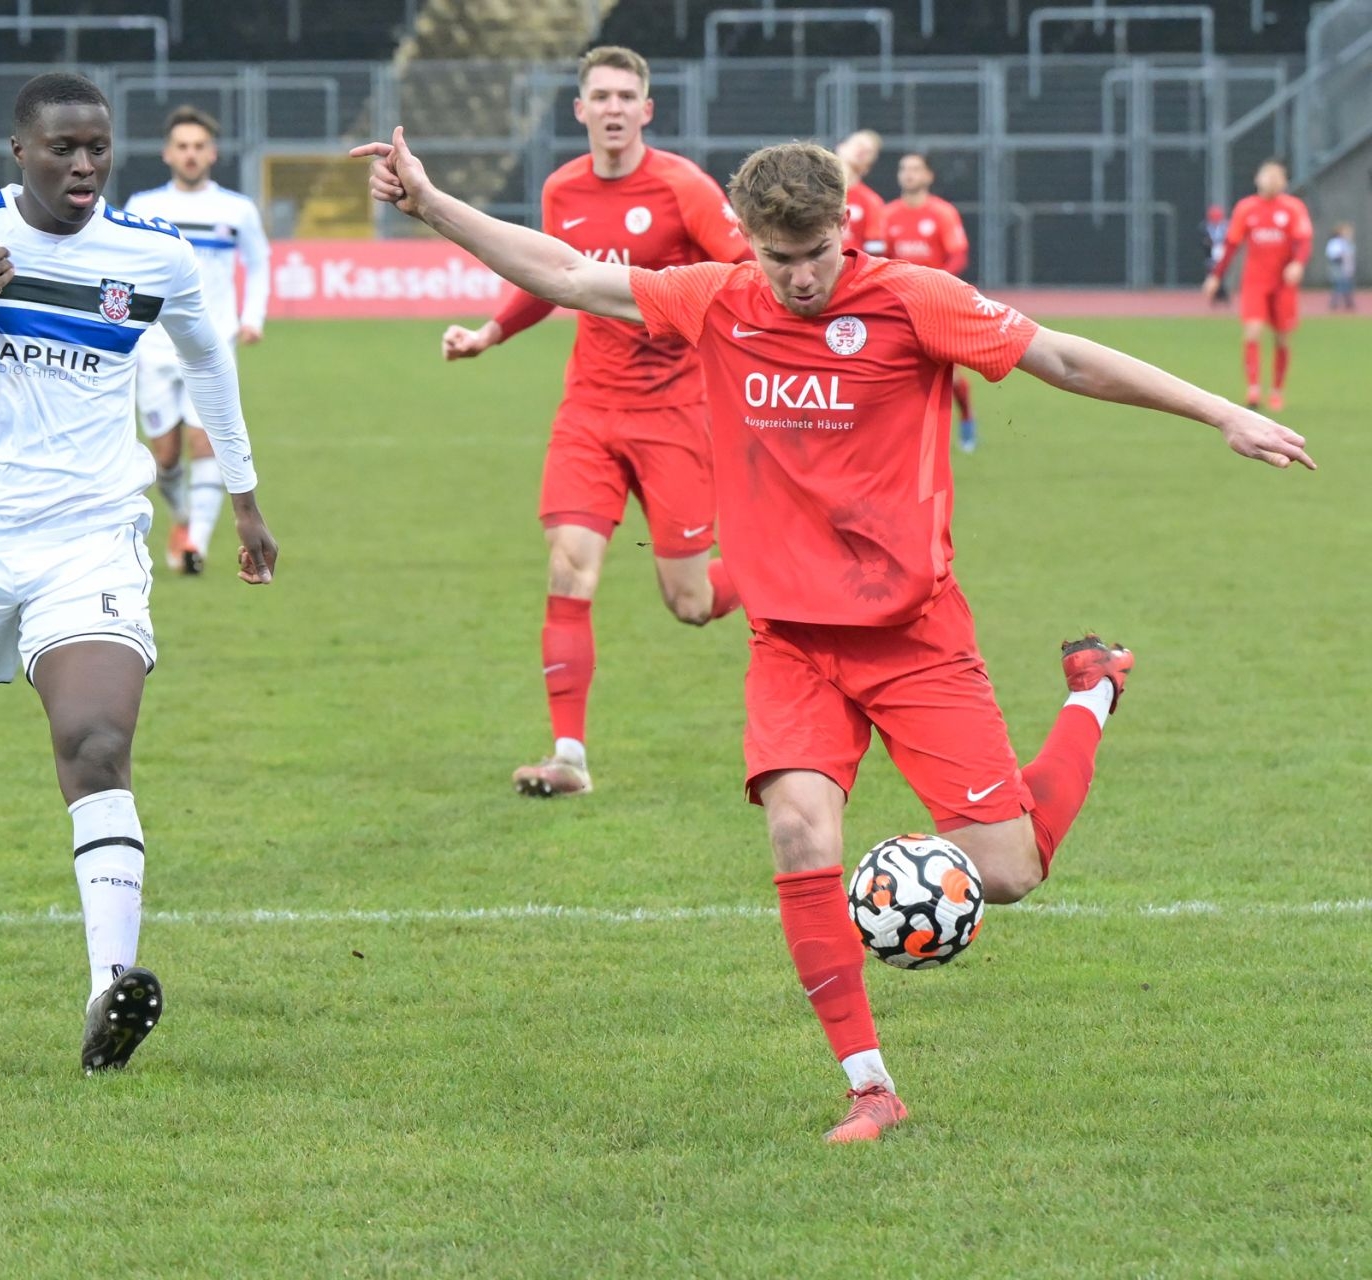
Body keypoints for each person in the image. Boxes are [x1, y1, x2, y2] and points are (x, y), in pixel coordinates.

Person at [354, 127, 1313, 1142]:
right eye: (780, 259)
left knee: (1010, 872)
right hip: (791, 643)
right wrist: (429, 201)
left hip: (914, 633)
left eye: (815, 255)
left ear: (844, 228)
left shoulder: (912, 298)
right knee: (799, 828)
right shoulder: (717, 297)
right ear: (749, 245)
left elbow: (1063, 356)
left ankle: (1092, 693)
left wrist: (1222, 413)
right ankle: (869, 1084)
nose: (801, 277)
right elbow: (562, 270)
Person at [0, 72, 279, 1074]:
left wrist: (242, 498)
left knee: (97, 739)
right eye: (64, 149)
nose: (85, 166)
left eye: (98, 149)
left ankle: (106, 994)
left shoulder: (151, 255)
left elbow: (211, 362)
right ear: (18, 152)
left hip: (89, 534)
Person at [437, 46, 748, 799]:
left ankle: (778, 556)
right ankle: (569, 757)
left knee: (692, 603)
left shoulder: (685, 189)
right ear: (579, 111)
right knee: (568, 567)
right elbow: (552, 278)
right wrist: (490, 332)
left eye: (625, 96)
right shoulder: (561, 190)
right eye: (599, 96)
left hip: (676, 414)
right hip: (589, 412)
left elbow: (744, 276)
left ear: (647, 110)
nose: (612, 108)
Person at [123, 105, 271, 575]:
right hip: (152, 346)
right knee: (165, 455)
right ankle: (183, 518)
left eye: (199, 146)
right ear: (168, 154)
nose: (190, 154)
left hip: (211, 344)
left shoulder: (236, 209)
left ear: (213, 153)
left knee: (205, 443)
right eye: (182, 146)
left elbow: (260, 263)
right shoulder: (144, 208)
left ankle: (197, 545)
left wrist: (252, 317)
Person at [883, 152, 977, 452]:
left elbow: (958, 253)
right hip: (898, 304)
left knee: (949, 373)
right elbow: (877, 256)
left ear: (928, 176)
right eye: (904, 169)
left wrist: (935, 285)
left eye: (915, 169)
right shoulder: (887, 215)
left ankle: (966, 418)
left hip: (934, 303)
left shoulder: (942, 213)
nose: (908, 174)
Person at [1203, 158, 1311, 412]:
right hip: (1255, 281)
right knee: (1252, 331)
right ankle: (1253, 389)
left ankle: (1276, 391)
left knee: (1282, 337)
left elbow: (1303, 241)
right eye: (1267, 175)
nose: (1272, 180)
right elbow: (1231, 245)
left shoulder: (1293, 208)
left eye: (1278, 176)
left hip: (1283, 284)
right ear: (1257, 179)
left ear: (1284, 181)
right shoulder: (1246, 208)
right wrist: (1217, 276)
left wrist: (1298, 263)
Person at [835, 129, 885, 256]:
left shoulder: (871, 201)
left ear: (868, 166)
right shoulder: (817, 191)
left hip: (853, 271)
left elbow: (875, 248)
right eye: (859, 144)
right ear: (841, 147)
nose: (862, 151)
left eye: (869, 151)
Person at [1202, 204, 1230, 305]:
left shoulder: (1226, 226)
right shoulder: (1206, 227)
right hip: (1212, 253)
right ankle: (1216, 295)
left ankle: (1223, 295)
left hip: (1224, 252)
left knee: (1221, 274)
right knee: (1212, 272)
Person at [1324, 222, 1355, 311]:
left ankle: (1349, 303)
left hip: (1347, 267)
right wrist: (1341, 257)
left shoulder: (1348, 243)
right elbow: (1332, 254)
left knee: (1347, 285)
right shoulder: (1335, 242)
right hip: (1337, 266)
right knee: (1338, 284)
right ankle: (1334, 303)